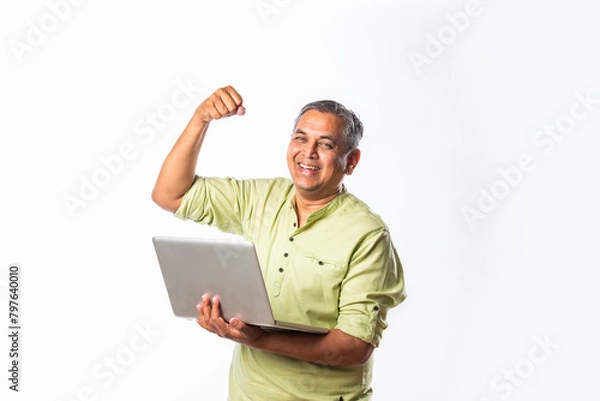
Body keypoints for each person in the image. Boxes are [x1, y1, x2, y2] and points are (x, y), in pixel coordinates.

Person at [152, 85, 406, 400]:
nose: (308, 152)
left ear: (351, 161)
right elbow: (169, 194)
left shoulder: (367, 235)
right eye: (301, 138)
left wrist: (256, 339)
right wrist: (201, 118)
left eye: (325, 144)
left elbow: (355, 347)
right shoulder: (262, 198)